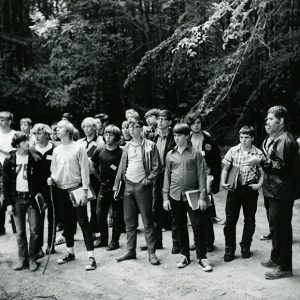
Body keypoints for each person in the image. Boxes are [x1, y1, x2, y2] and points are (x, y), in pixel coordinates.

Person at [244, 106, 298, 280]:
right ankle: (276, 258)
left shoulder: (286, 140)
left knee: (282, 229)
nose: (267, 121)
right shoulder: (273, 138)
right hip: (271, 190)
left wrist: (260, 160)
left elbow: (280, 167)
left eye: (271, 118)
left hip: (282, 192)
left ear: (281, 121)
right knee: (274, 227)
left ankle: (285, 266)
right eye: (266, 118)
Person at [47, 120, 97, 271]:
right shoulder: (56, 150)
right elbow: (54, 170)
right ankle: (70, 252)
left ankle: (91, 257)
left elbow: (84, 170)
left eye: (60, 128)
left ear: (68, 131)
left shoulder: (79, 147)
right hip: (61, 191)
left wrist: (85, 190)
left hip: (77, 189)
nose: (57, 129)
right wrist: (52, 178)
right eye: (57, 128)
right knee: (68, 223)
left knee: (83, 222)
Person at [163, 123, 212, 271]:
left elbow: (202, 176)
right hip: (175, 195)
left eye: (179, 135)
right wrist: (165, 197)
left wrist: (203, 197)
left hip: (193, 195)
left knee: (197, 224)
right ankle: (184, 255)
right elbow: (167, 175)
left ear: (186, 136)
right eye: (175, 136)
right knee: (179, 226)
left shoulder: (196, 153)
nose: (176, 138)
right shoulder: (170, 154)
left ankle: (202, 256)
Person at [113, 119, 161, 265]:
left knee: (147, 221)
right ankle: (130, 251)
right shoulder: (127, 146)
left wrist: (147, 180)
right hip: (128, 185)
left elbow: (156, 167)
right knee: (129, 222)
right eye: (129, 127)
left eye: (135, 127)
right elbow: (122, 166)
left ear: (141, 129)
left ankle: (152, 253)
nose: (131, 129)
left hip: (142, 186)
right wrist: (117, 184)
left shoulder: (150, 145)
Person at [221, 126, 264, 262]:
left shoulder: (258, 153)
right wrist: (223, 181)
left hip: (250, 189)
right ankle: (229, 248)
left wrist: (259, 185)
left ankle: (245, 246)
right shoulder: (233, 151)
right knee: (230, 221)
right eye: (241, 137)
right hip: (234, 189)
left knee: (249, 219)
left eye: (246, 137)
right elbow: (226, 168)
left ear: (252, 138)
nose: (243, 140)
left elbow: (264, 173)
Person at [3, 132, 43, 271]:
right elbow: (6, 184)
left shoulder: (35, 159)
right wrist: (8, 203)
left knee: (34, 230)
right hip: (16, 199)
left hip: (31, 199)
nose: (28, 143)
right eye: (25, 141)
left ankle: (33, 259)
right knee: (19, 232)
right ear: (18, 143)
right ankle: (22, 260)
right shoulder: (9, 159)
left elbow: (40, 182)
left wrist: (41, 199)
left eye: (28, 140)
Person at [187, 112, 222, 253]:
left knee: (206, 212)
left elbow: (216, 162)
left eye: (198, 123)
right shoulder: (186, 138)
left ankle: (209, 242)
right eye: (193, 123)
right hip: (191, 179)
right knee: (194, 212)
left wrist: (214, 181)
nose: (196, 125)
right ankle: (197, 241)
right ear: (189, 125)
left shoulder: (208, 140)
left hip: (206, 178)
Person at [91, 125, 123, 250]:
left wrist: (119, 183)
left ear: (116, 137)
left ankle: (115, 241)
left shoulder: (121, 152)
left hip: (117, 188)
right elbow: (93, 165)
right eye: (106, 134)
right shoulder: (99, 150)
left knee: (117, 215)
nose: (108, 137)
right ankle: (103, 239)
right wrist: (100, 178)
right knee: (100, 213)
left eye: (111, 135)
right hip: (104, 186)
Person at [152, 110, 177, 251]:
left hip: (172, 176)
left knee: (174, 209)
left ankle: (176, 243)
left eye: (163, 119)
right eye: (159, 118)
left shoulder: (175, 137)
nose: (160, 121)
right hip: (156, 176)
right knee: (155, 209)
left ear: (169, 122)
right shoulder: (152, 137)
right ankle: (156, 242)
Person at [30, 123, 57, 256]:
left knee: (52, 217)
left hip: (52, 188)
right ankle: (38, 247)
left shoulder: (55, 149)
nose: (37, 136)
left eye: (39, 133)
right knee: (38, 219)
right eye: (35, 134)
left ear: (47, 134)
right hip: (36, 190)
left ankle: (51, 245)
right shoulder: (31, 150)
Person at [78, 117, 101, 245]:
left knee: (94, 205)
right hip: (82, 176)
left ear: (94, 127)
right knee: (81, 205)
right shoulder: (80, 142)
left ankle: (95, 231)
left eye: (89, 126)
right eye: (84, 127)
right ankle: (87, 231)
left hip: (95, 176)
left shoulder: (100, 142)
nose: (87, 129)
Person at [0, 111, 16, 235]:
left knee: (9, 195)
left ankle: (15, 223)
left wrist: (2, 151)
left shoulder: (14, 134)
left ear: (9, 121)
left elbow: (16, 153)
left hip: (11, 168)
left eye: (3, 119)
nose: (1, 121)